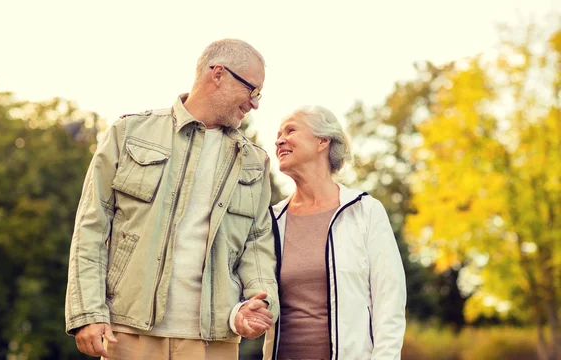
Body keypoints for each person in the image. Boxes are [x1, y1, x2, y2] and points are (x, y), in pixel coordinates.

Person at [65, 39, 279, 360]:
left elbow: (258, 245)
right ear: (217, 74)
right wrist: (87, 312)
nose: (255, 103)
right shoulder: (128, 133)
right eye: (252, 90)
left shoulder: (255, 161)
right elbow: (92, 227)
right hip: (129, 332)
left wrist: (259, 302)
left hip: (214, 341)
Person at [263, 106, 406, 360]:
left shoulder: (364, 211)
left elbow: (389, 302)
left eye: (291, 130)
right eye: (278, 134)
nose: (279, 140)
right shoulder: (272, 220)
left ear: (323, 140)